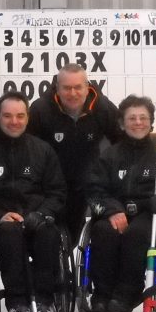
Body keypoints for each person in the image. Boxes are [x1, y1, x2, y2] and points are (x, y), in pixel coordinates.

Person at [0, 91, 67, 312]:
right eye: (8, 116)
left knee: (49, 234)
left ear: (27, 118)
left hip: (36, 219)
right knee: (9, 233)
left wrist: (41, 214)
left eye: (20, 116)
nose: (14, 121)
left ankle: (45, 303)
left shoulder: (43, 150)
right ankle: (17, 304)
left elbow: (57, 193)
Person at [84, 95, 156, 312]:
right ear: (122, 123)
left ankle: (126, 294)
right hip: (116, 211)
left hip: (152, 216)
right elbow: (94, 190)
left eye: (143, 117)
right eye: (132, 118)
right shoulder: (110, 156)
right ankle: (102, 295)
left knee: (137, 233)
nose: (138, 122)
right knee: (104, 231)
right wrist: (111, 210)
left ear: (151, 122)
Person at [28, 63, 120, 236]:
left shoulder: (103, 108)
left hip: (84, 181)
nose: (72, 93)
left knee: (74, 231)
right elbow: (27, 147)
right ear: (57, 88)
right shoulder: (40, 109)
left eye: (78, 87)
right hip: (48, 184)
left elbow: (121, 141)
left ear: (87, 87)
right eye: (67, 88)